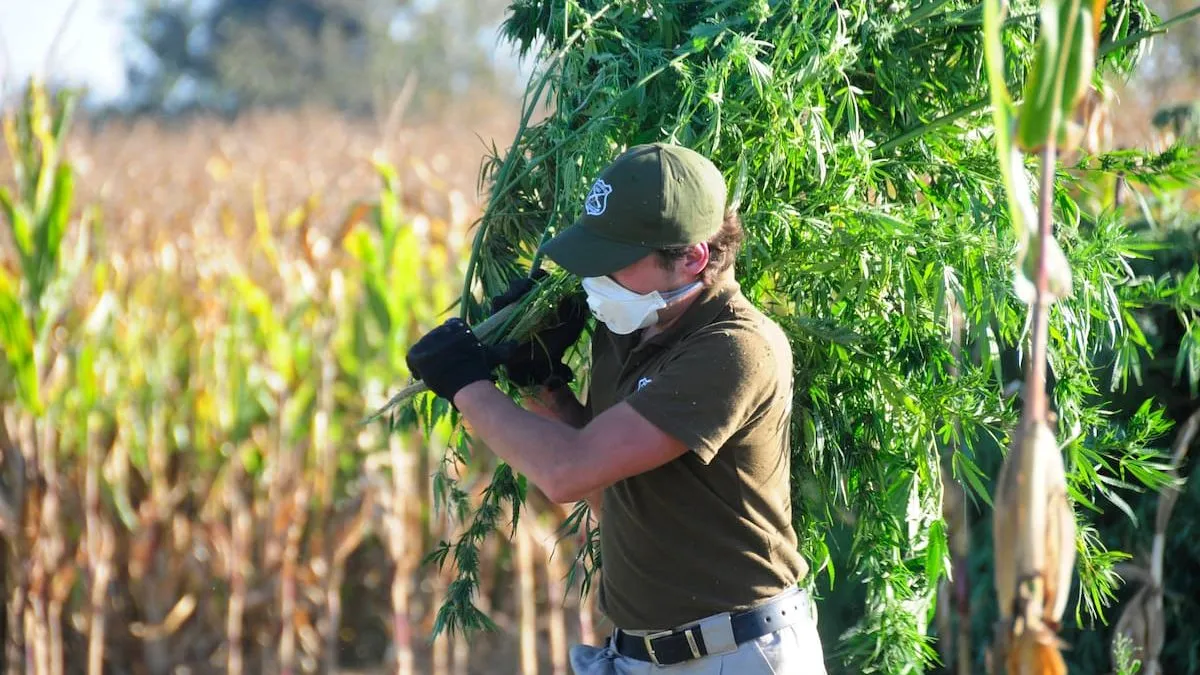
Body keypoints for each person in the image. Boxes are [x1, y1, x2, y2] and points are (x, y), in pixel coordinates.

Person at [405, 143, 827, 674]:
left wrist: (465, 383)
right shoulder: (628, 328)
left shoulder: (735, 349)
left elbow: (568, 471)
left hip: (733, 656)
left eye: (614, 264)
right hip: (640, 655)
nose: (595, 282)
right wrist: (541, 379)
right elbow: (605, 486)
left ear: (693, 257)